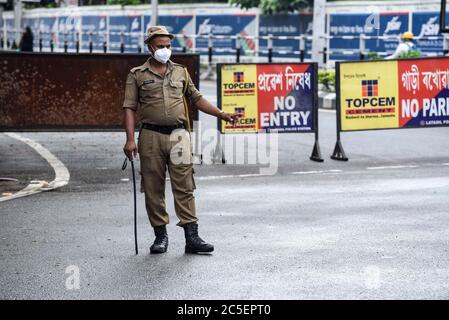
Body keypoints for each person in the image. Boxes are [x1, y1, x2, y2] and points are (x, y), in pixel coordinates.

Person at [122, 26, 238, 254]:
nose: (165, 50)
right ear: (150, 47)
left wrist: (222, 114)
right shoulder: (137, 74)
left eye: (168, 46)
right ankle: (160, 237)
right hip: (150, 137)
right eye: (160, 46)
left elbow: (197, 99)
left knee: (185, 187)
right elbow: (129, 108)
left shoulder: (181, 72)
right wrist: (129, 140)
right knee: (153, 188)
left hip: (179, 136)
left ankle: (191, 237)